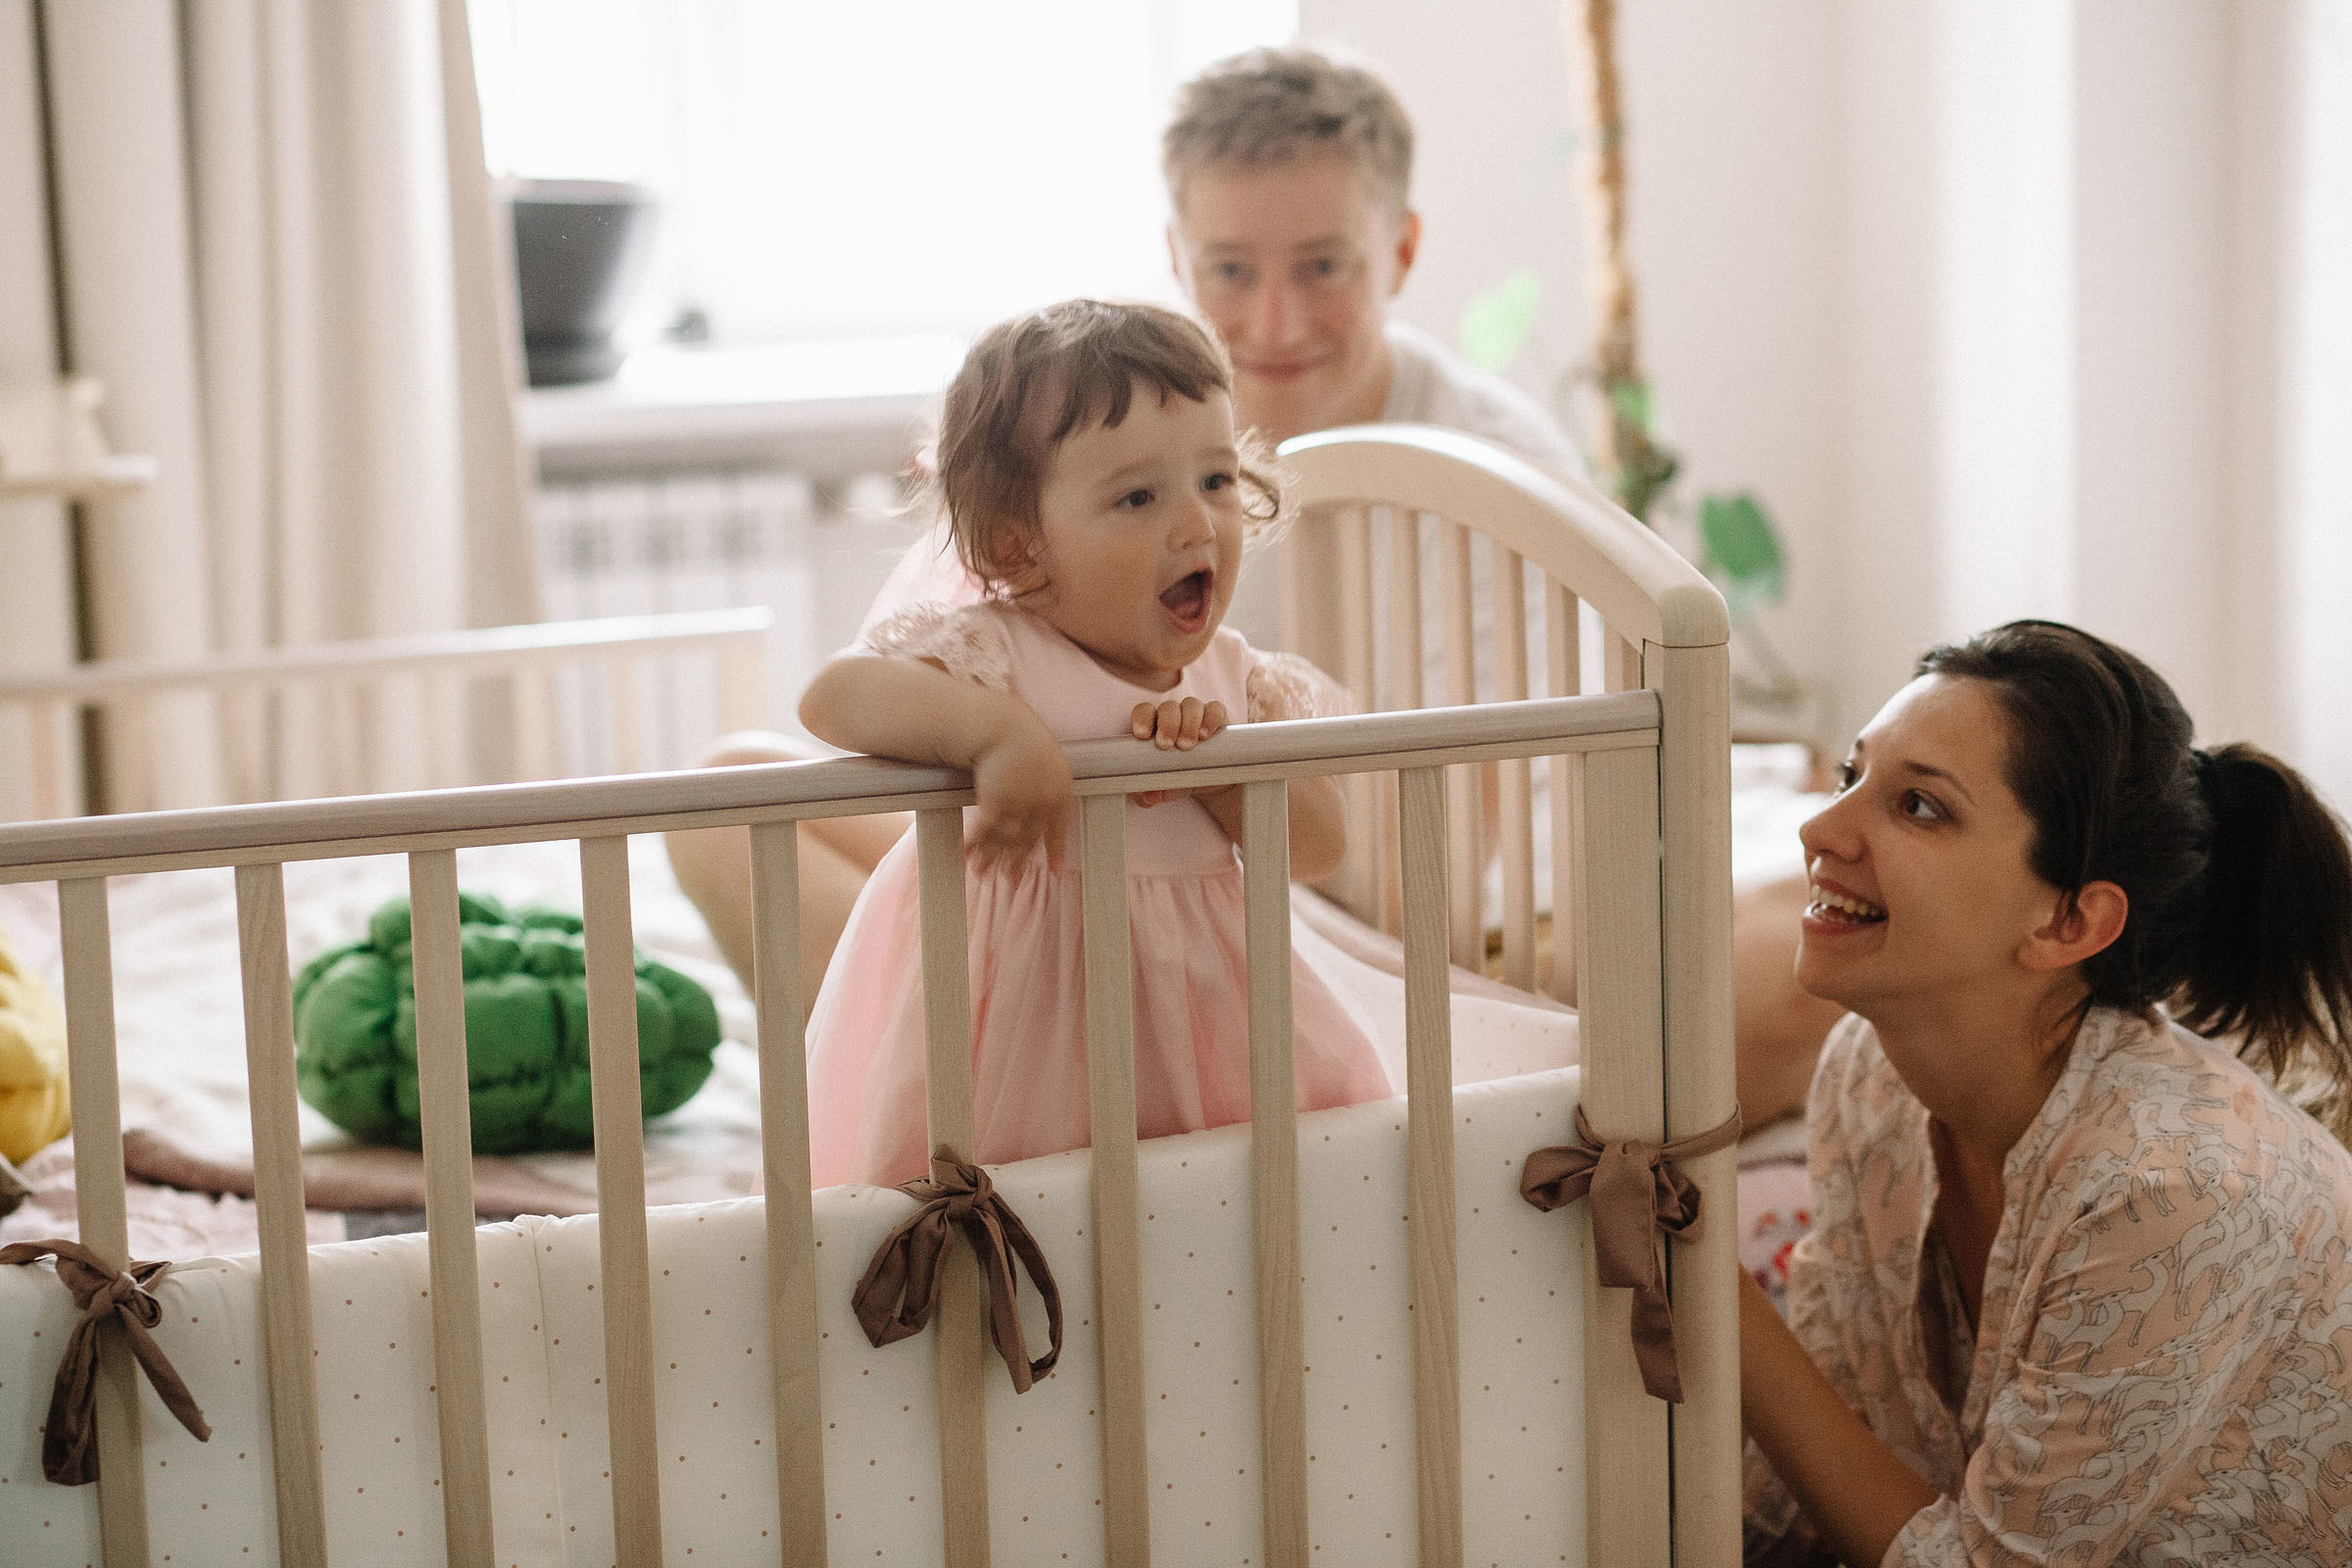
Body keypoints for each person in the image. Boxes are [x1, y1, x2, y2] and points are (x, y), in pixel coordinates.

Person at [671, 42, 1609, 1015]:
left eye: (1323, 267)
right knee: (725, 796)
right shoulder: (1119, 429)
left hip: (1338, 906)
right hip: (1114, 851)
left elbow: (1445, 851)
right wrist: (1018, 756)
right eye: (1231, 270)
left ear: (1402, 251)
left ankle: (1001, 1062)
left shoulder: (1493, 474)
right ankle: (956, 1067)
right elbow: (926, 665)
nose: (1275, 321)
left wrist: (1215, 810)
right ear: (1176, 257)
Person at [1740, 619, 2352, 1563]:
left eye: (1919, 808)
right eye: (1849, 779)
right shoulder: (1869, 1071)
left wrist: (1723, 1311)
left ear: (2069, 921)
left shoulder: (2172, 1192)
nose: (1821, 830)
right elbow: (1827, 1432)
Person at [795, 300, 1390, 1187]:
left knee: (1253, 1191)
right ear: (1017, 542)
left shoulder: (1235, 679)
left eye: (1216, 481)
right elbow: (832, 698)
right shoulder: (999, 653)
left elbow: (1318, 848)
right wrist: (998, 735)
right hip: (1024, 1021)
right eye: (1138, 497)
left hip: (1207, 1012)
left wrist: (1223, 774)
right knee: (1010, 1198)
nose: (1195, 525)